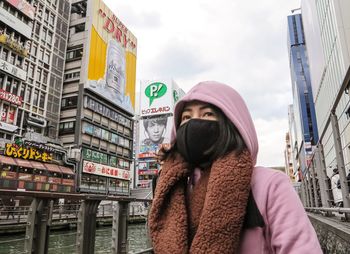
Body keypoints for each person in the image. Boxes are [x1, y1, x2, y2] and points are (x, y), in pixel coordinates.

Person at [148, 81, 322, 254]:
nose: (194, 123)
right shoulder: (175, 189)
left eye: (207, 114)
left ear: (232, 123)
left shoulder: (270, 185)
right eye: (186, 117)